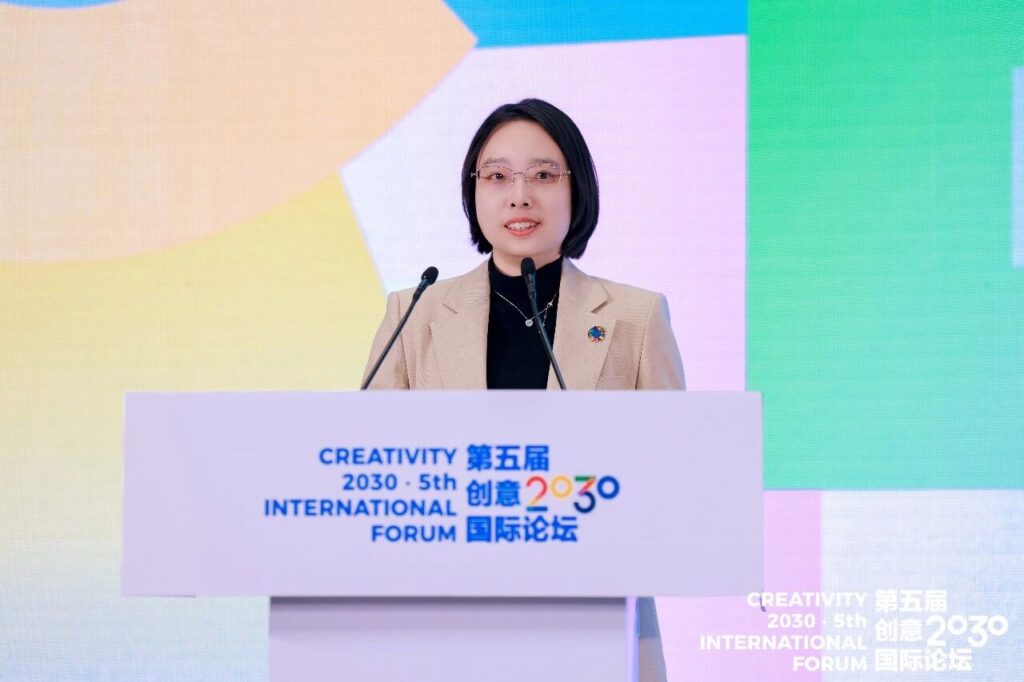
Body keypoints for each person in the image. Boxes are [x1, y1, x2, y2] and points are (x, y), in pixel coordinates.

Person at [362, 98, 684, 681]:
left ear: (577, 189)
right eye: (497, 176)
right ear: (474, 191)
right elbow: (370, 470)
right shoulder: (415, 313)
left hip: (593, 620)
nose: (519, 196)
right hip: (445, 620)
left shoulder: (635, 317)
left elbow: (674, 472)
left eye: (542, 175)